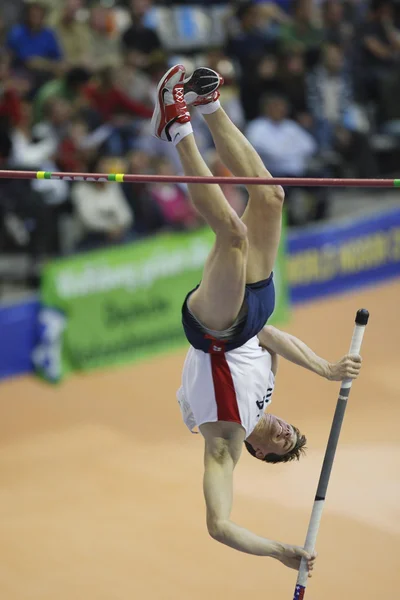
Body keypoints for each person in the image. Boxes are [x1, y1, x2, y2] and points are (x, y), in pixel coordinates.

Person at [151, 64, 362, 571]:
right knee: (270, 198)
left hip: (215, 330)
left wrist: (280, 552)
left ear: (260, 454)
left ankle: (175, 126)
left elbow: (219, 527)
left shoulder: (224, 441)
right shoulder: (264, 392)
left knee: (234, 235)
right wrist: (328, 369)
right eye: (291, 432)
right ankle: (209, 107)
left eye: (281, 443)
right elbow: (269, 336)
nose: (285, 431)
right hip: (253, 316)